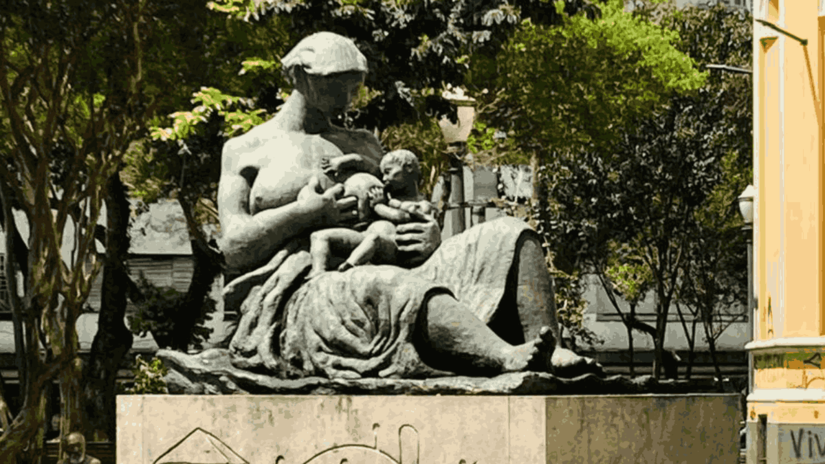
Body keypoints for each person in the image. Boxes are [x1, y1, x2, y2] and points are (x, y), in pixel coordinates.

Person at [219, 31, 602, 379]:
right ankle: (504, 356)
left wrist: (426, 234)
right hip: (310, 284)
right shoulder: (247, 149)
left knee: (512, 235)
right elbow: (233, 248)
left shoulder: (364, 143)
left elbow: (399, 205)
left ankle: (549, 348)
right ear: (301, 76)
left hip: (388, 262)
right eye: (338, 88)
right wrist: (306, 214)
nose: (349, 99)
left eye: (354, 89)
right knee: (388, 283)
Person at [308, 150, 435, 277]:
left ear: (408, 168)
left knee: (375, 238)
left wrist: (378, 205)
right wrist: (345, 162)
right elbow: (368, 165)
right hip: (363, 238)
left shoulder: (421, 204)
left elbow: (401, 217)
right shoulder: (389, 196)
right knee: (319, 236)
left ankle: (348, 267)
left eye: (388, 172)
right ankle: (317, 274)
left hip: (392, 248)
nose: (384, 179)